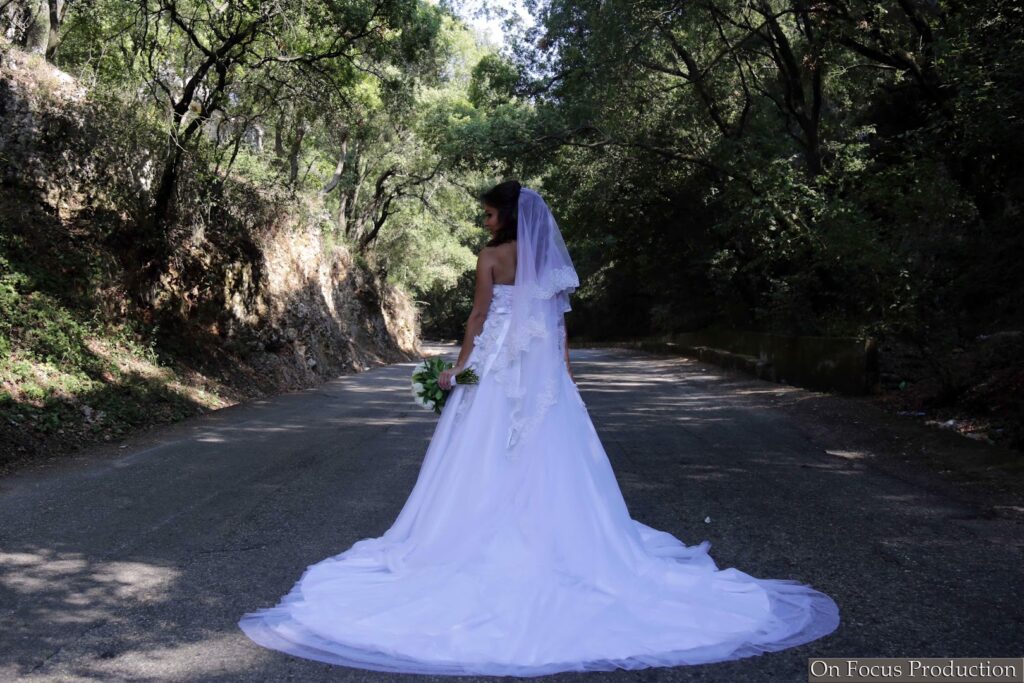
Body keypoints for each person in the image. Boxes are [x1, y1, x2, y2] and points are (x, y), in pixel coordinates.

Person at [237, 182, 840, 676]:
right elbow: (558, 331)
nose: (485, 221)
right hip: (543, 378)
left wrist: (458, 369)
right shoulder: (550, 263)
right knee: (554, 459)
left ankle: (471, 540)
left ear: (507, 216)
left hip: (497, 372)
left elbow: (478, 316)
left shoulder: (493, 259)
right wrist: (566, 379)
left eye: (489, 212)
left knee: (480, 459)